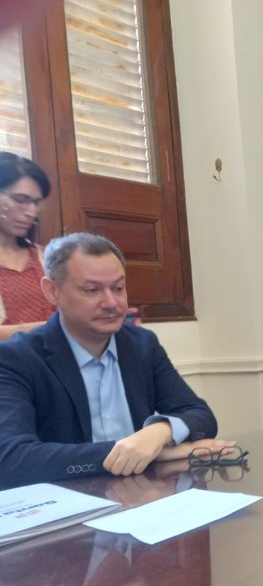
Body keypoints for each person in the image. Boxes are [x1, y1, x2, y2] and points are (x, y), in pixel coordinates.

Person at [0, 232, 234, 485]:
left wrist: (159, 433)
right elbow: (13, 459)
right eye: (92, 290)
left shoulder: (142, 345)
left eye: (118, 288)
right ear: (52, 291)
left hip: (139, 498)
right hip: (70, 507)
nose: (111, 303)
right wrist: (140, 452)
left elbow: (200, 415)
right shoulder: (17, 357)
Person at [0, 152, 55, 340]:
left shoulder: (46, 257)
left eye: (36, 203)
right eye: (21, 199)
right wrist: (54, 328)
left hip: (49, 365)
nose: (32, 212)